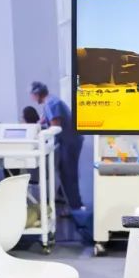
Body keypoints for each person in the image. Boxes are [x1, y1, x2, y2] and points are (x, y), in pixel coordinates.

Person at [30, 81, 84, 210]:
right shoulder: (50, 102)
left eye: (32, 95)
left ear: (37, 94)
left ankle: (76, 208)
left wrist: (41, 135)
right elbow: (43, 121)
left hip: (69, 141)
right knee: (65, 172)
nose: (32, 98)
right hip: (69, 140)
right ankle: (72, 204)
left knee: (68, 174)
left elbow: (55, 127)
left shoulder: (51, 103)